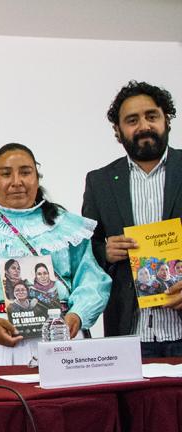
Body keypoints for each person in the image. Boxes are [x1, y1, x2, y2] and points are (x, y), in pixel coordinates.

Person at [0, 143, 110, 366]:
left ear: (37, 179)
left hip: (59, 335)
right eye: (6, 174)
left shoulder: (66, 226)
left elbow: (91, 279)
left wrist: (77, 315)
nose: (17, 181)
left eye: (25, 172)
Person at [82, 81, 182, 358]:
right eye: (132, 120)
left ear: (167, 120)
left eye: (152, 116)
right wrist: (105, 251)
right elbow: (85, 250)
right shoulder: (100, 182)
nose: (144, 126)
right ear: (118, 131)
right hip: (129, 333)